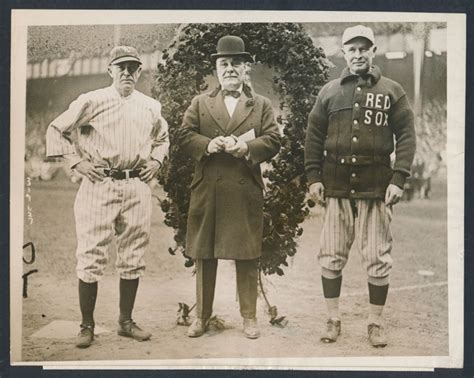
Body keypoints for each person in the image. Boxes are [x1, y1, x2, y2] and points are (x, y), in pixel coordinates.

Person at [46, 46, 169, 348]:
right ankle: (86, 325)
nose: (127, 72)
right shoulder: (92, 100)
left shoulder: (151, 105)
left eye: (132, 67)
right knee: (90, 254)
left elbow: (163, 139)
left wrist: (156, 160)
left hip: (136, 183)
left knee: (133, 255)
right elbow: (55, 129)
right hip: (100, 182)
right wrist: (77, 162)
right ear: (110, 70)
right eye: (121, 67)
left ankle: (125, 322)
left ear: (140, 71)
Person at [304, 25, 416, 347]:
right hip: (336, 185)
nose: (357, 55)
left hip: (376, 187)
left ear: (373, 52)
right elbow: (313, 137)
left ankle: (375, 322)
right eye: (351, 49)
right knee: (331, 255)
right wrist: (313, 176)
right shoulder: (328, 92)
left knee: (378, 256)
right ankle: (333, 318)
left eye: (363, 49)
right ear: (343, 53)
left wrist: (399, 177)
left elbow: (407, 136)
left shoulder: (392, 90)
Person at [179, 35, 281, 339]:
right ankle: (202, 317)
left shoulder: (260, 104)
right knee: (204, 254)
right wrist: (209, 144)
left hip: (244, 188)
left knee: (247, 254)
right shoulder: (200, 103)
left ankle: (249, 318)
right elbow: (184, 136)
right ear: (216, 68)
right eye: (224, 63)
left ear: (246, 67)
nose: (230, 68)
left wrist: (245, 147)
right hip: (208, 188)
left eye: (236, 63)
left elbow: (274, 140)